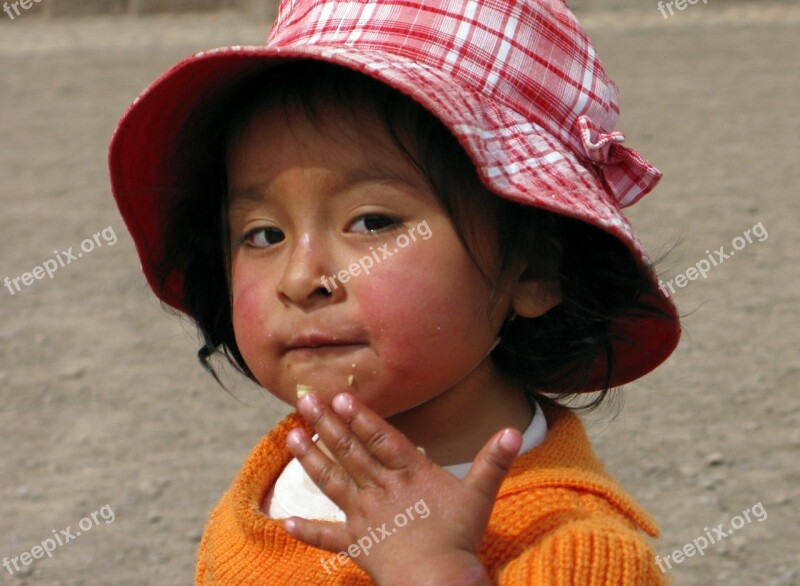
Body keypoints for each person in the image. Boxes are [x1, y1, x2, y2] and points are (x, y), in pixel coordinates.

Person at [109, 0, 680, 583]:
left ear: (534, 268)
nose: (301, 278)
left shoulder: (577, 551)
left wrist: (435, 572)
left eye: (374, 223)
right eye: (263, 234)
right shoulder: (280, 473)